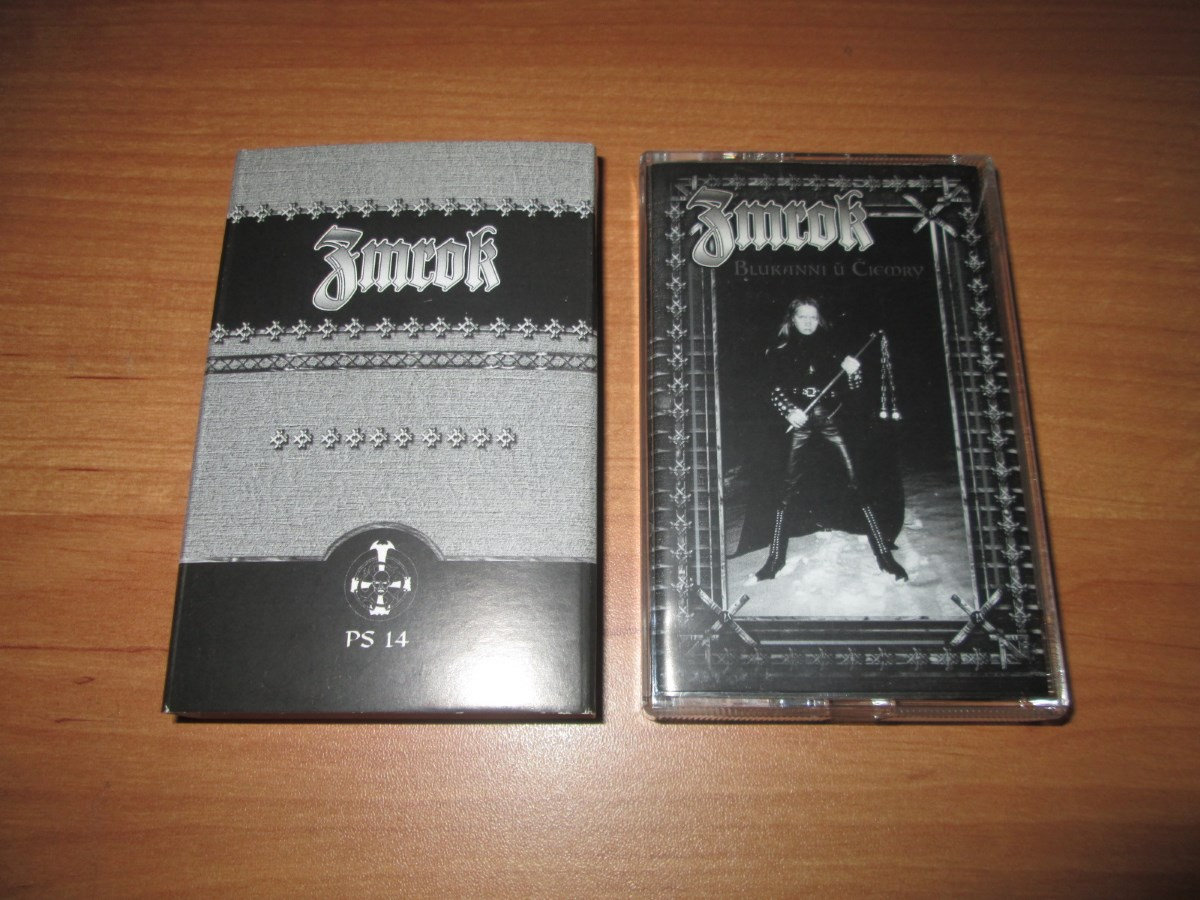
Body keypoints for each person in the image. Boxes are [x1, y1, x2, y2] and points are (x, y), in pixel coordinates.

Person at [753, 298, 908, 582]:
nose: (808, 322)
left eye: (813, 317)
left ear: (819, 319)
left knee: (856, 481)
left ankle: (885, 558)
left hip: (831, 417)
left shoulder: (833, 346)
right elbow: (771, 386)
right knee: (786, 487)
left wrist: (854, 371)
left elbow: (855, 388)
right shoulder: (778, 349)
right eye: (803, 316)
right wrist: (788, 410)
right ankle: (775, 559)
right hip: (798, 418)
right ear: (792, 319)